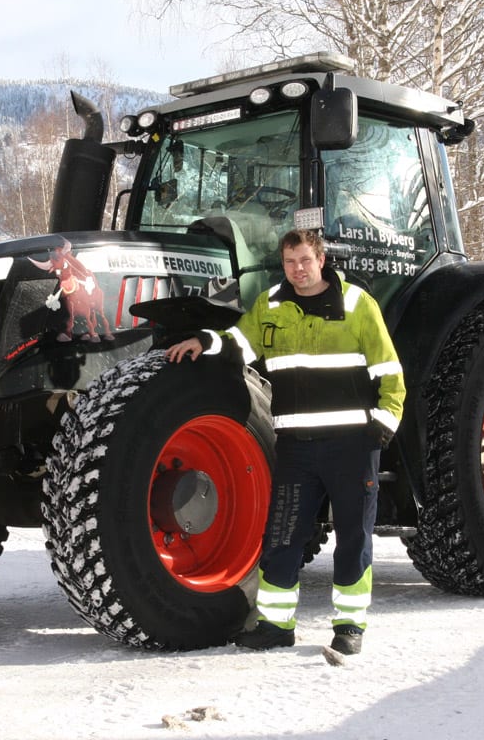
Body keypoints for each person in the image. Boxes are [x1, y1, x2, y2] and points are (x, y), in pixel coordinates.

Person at [166, 229, 405, 655]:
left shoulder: (357, 305)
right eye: (290, 262)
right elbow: (239, 342)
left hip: (351, 445)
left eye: (305, 261)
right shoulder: (270, 305)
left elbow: (390, 373)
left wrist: (381, 428)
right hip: (296, 447)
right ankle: (277, 624)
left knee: (354, 535)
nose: (298, 270)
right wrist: (204, 340)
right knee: (282, 535)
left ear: (322, 259)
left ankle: (349, 625)